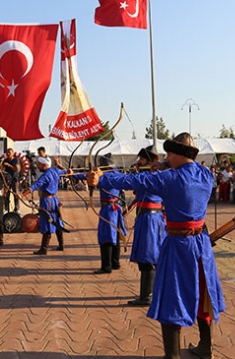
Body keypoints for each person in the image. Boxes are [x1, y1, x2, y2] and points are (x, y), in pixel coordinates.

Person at [87, 133, 225, 359]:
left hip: (179, 244)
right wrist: (162, 165)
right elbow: (178, 172)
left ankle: (172, 356)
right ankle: (206, 347)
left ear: (178, 155)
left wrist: (102, 179)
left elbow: (135, 182)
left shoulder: (169, 179)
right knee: (203, 294)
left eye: (170, 153)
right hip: (201, 245)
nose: (167, 157)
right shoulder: (205, 174)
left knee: (171, 297)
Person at [127, 146, 165, 306]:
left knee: (148, 256)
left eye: (141, 159)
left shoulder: (150, 175)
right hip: (151, 218)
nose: (138, 162)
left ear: (149, 161)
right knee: (150, 255)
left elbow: (127, 182)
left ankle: (147, 296)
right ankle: (151, 293)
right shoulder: (150, 174)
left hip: (150, 219)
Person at [21, 157, 66, 255]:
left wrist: (23, 194)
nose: (37, 166)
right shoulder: (55, 171)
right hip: (55, 200)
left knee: (47, 222)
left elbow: (35, 185)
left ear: (44, 165)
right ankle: (61, 245)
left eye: (39, 164)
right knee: (57, 221)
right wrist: (58, 164)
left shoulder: (45, 175)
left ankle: (44, 249)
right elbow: (65, 171)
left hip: (47, 201)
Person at [1, 148, 21, 214]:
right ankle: (6, 208)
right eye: (7, 152)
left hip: (14, 179)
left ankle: (17, 209)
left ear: (13, 153)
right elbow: (1, 168)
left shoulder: (16, 160)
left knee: (16, 194)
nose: (8, 154)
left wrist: (9, 165)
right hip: (7, 179)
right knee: (6, 194)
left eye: (10, 152)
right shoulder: (5, 160)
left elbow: (16, 169)